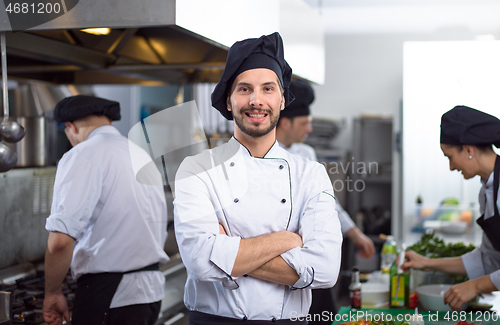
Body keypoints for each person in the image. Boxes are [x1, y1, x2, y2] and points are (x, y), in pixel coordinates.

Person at [173, 32, 342, 324]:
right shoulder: (196, 169)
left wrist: (229, 253)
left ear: (282, 100)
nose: (256, 100)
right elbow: (200, 262)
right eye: (244, 89)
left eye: (267, 89)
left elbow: (325, 269)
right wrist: (286, 240)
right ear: (228, 101)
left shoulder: (311, 174)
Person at [42, 95, 169, 325]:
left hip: (110, 296)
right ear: (109, 121)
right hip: (150, 294)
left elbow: (60, 242)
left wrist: (52, 293)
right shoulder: (141, 155)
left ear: (70, 127)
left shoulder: (82, 154)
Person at [276, 80, 375, 323]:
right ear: (285, 122)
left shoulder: (305, 153)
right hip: (283, 259)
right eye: (304, 123)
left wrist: (354, 233)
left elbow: (327, 201)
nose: (309, 129)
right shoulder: (262, 157)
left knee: (323, 316)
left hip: (311, 257)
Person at [402, 105, 500, 311]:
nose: (451, 166)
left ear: (468, 149)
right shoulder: (487, 190)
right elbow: (488, 258)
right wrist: (427, 263)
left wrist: (475, 286)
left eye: (449, 157)